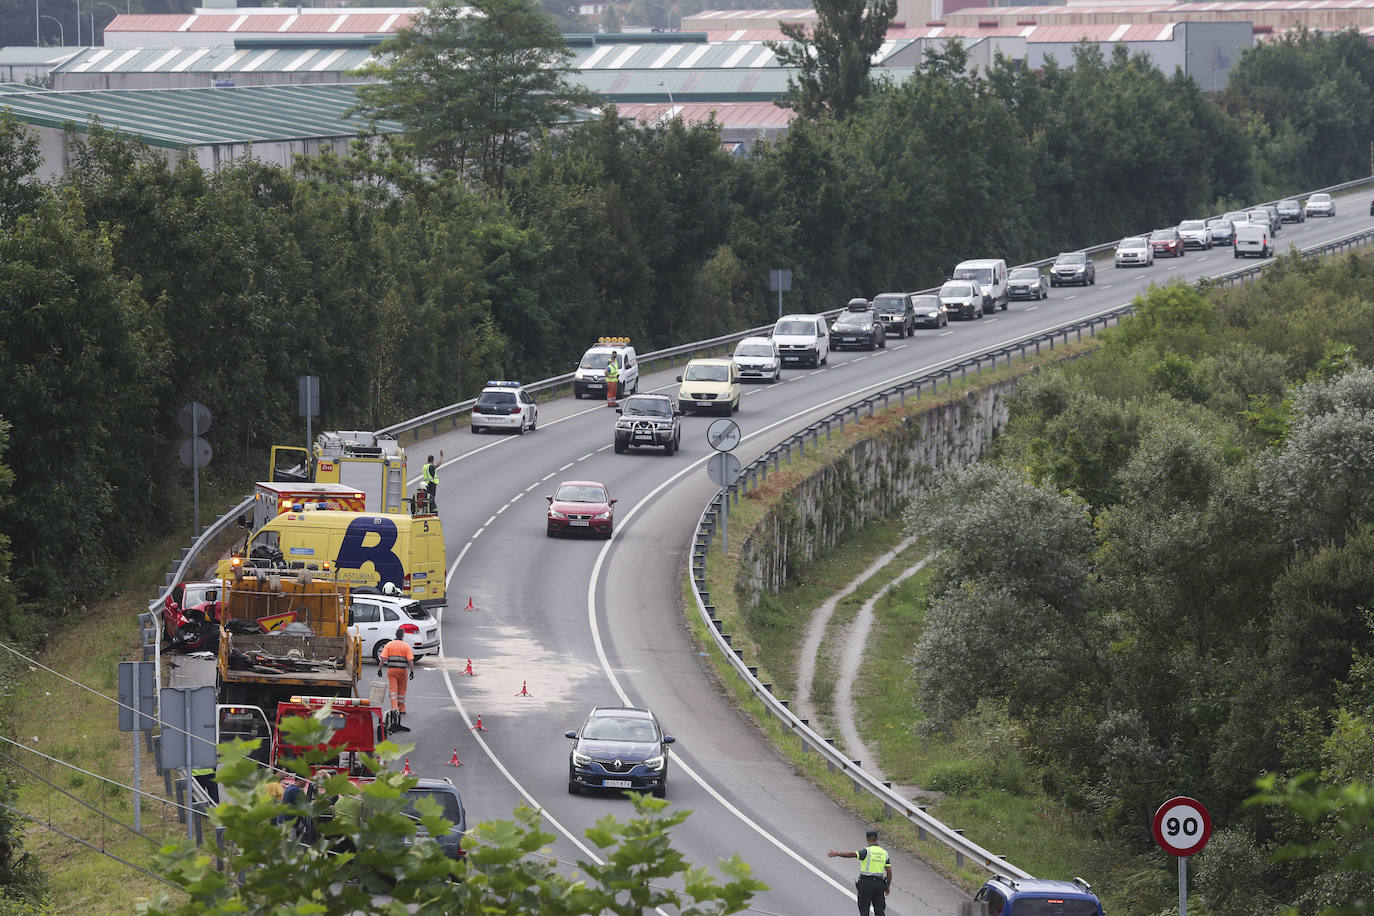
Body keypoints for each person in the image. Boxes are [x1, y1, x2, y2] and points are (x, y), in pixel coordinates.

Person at [828, 828, 892, 916]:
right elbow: (889, 872)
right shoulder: (884, 853)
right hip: (879, 885)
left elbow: (853, 854)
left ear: (867, 839)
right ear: (877, 838)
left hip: (866, 884)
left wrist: (838, 853)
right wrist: (887, 886)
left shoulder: (866, 851)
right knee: (880, 911)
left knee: (864, 910)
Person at [378, 627, 415, 732]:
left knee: (393, 691)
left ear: (396, 635)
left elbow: (383, 659)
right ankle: (402, 708)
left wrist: (379, 670)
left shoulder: (389, 645)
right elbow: (410, 660)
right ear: (402, 635)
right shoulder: (406, 646)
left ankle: (394, 709)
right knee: (402, 692)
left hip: (392, 671)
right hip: (402, 671)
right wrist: (412, 671)